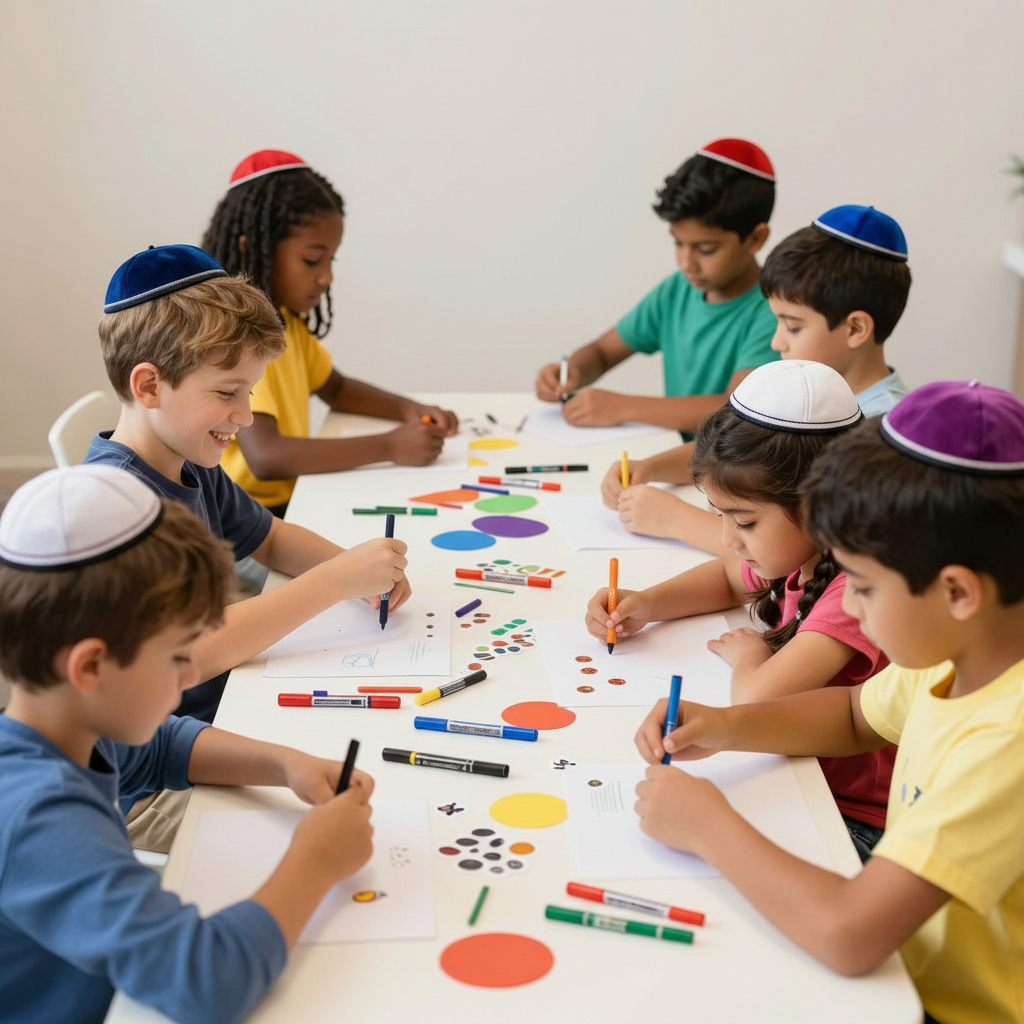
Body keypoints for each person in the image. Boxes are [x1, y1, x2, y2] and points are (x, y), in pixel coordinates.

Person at [633, 380, 1024, 1024]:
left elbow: (848, 934)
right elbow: (852, 716)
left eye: (864, 587)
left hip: (946, 1006)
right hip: (902, 967)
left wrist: (708, 825)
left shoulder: (1003, 739)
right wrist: (728, 725)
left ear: (958, 592)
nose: (854, 613)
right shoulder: (959, 655)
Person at [0, 465, 375, 1024]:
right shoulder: (37, 816)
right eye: (179, 660)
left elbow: (160, 748)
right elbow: (204, 980)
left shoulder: (64, 725)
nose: (187, 680)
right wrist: (315, 860)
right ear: (92, 666)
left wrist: (285, 764)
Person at [86, 244, 411, 729]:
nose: (246, 416)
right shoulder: (118, 504)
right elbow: (192, 652)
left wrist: (355, 570)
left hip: (229, 701)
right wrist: (336, 580)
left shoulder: (188, 460)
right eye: (226, 392)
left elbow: (272, 539)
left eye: (250, 391)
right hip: (174, 753)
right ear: (149, 387)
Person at [587, 361, 894, 860]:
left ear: (819, 504)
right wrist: (647, 603)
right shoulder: (801, 552)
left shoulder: (852, 590)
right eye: (720, 516)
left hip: (848, 816)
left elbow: (753, 698)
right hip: (793, 777)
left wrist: (750, 654)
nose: (729, 539)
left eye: (745, 522)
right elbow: (731, 576)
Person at [601, 204, 912, 552]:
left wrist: (676, 520)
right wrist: (650, 467)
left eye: (793, 326)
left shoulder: (881, 438)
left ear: (855, 328)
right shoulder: (798, 391)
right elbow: (739, 457)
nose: (776, 342)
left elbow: (807, 554)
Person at [202, 149, 458, 516]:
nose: (326, 276)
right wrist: (389, 446)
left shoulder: (285, 321)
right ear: (251, 249)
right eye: (312, 259)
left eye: (330, 259)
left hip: (287, 503)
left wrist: (409, 409)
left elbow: (335, 388)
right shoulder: (235, 335)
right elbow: (267, 457)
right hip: (242, 521)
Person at [534, 137, 779, 437]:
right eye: (678, 243)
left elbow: (735, 413)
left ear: (756, 238)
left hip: (724, 475)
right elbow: (601, 351)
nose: (686, 263)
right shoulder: (677, 290)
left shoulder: (774, 309)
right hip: (676, 458)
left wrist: (623, 407)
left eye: (705, 249)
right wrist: (572, 372)